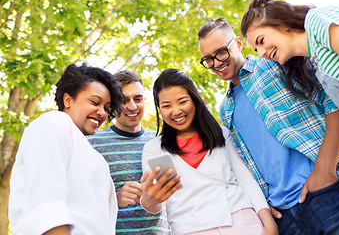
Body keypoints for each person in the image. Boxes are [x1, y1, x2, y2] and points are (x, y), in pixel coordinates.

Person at [198, 17, 339, 234]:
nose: (216, 63)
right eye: (208, 59)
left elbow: (335, 101)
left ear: (237, 43)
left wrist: (324, 170)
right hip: (286, 218)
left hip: (329, 193)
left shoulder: (276, 62)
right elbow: (246, 164)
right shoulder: (225, 109)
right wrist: (264, 206)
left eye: (221, 52)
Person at [140, 68, 277, 235]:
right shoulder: (155, 148)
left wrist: (269, 223)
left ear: (195, 100)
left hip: (242, 220)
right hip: (191, 229)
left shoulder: (221, 134)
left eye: (182, 101)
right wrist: (149, 199)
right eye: (166, 106)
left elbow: (244, 178)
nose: (175, 111)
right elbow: (155, 203)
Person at [8, 63, 123, 234]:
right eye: (95, 102)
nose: (102, 113)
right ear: (68, 100)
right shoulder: (54, 122)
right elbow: (46, 200)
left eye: (106, 108)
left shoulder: (91, 153)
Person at [240, 0, 339, 122]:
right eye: (256, 49)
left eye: (261, 40)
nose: (261, 54)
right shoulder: (317, 63)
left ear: (280, 22)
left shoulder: (317, 22)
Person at [87, 70, 171, 234]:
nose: (132, 106)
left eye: (138, 99)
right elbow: (79, 201)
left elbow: (174, 196)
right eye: (124, 100)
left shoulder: (161, 141)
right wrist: (114, 199)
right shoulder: (92, 144)